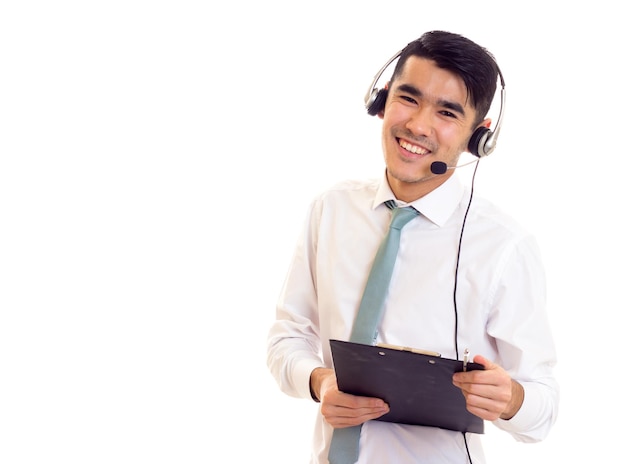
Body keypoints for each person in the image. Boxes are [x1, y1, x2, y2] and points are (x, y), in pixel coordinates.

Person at [266, 30, 559, 464]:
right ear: (381, 100)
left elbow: (544, 412)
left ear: (479, 136)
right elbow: (286, 338)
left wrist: (511, 397)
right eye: (408, 98)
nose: (418, 126)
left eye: (446, 113)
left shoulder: (504, 246)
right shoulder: (331, 209)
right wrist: (319, 381)